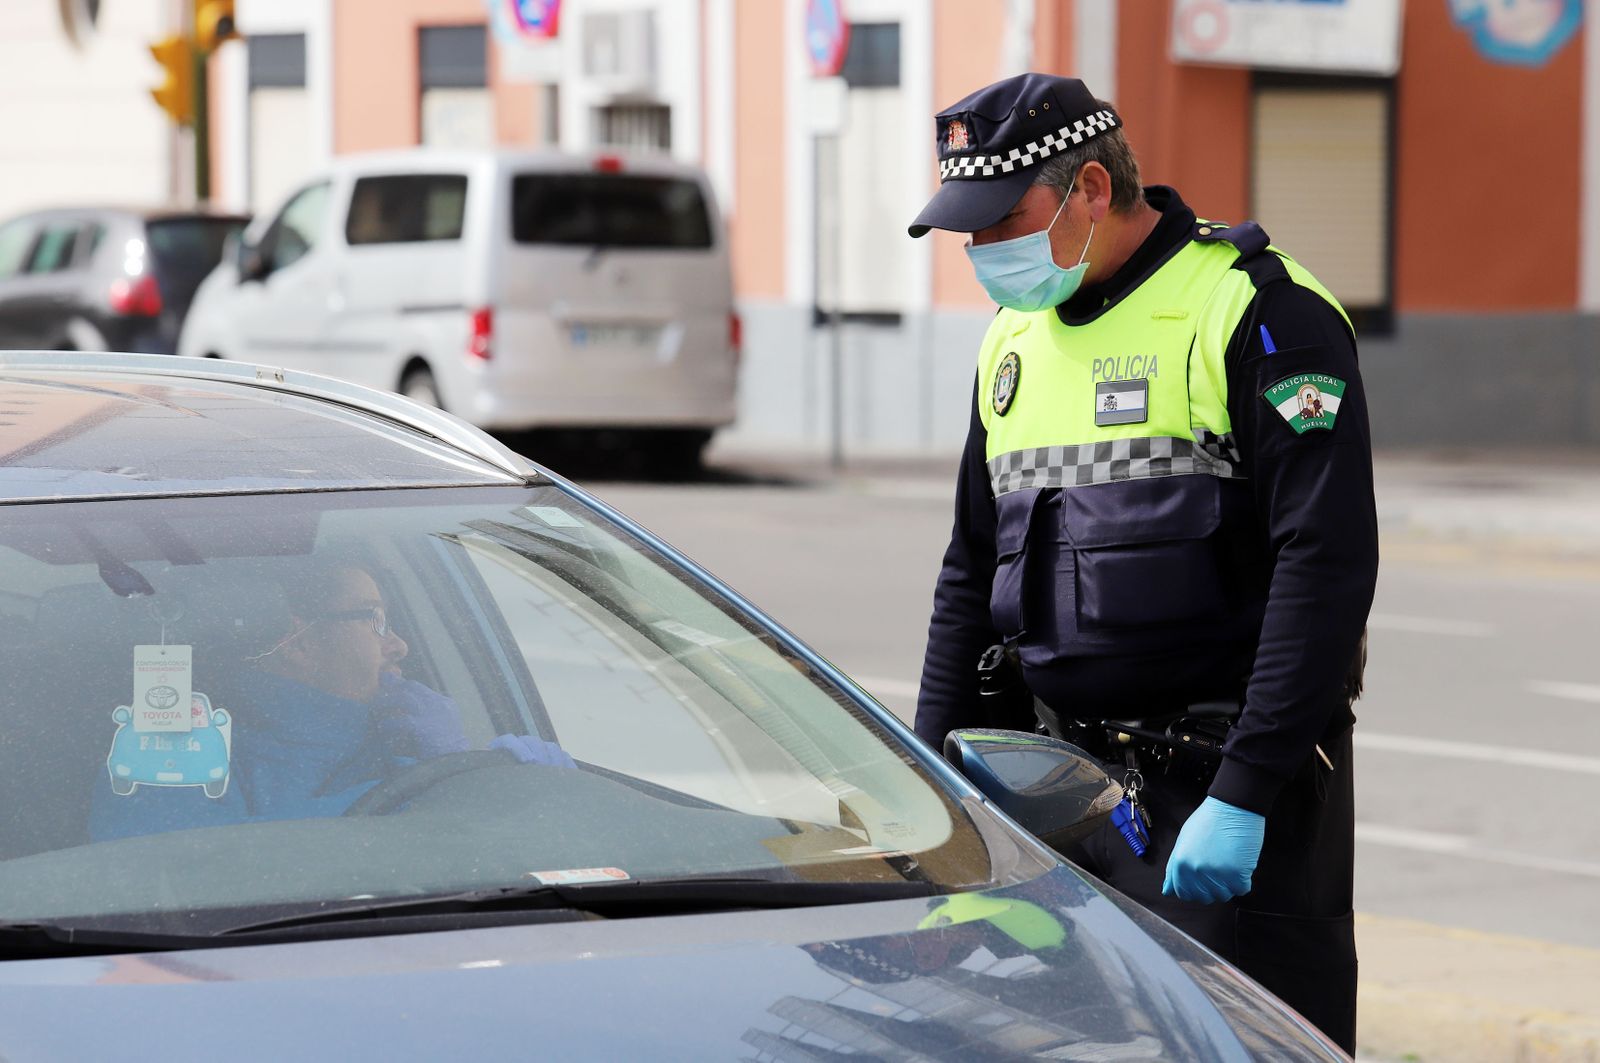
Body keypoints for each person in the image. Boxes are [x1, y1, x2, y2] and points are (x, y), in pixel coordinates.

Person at [908, 73, 1376, 1052]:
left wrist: (1245, 791)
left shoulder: (1254, 310)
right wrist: (936, 799)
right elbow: (969, 573)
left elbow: (1322, 564)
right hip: (1057, 799)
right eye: (967, 230)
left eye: (1002, 220)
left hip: (1224, 808)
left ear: (1087, 187)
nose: (982, 250)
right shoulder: (1012, 343)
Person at [90, 561, 572, 840]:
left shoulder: (408, 739)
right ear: (299, 644)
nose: (399, 645)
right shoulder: (170, 753)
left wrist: (472, 769)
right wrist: (454, 789)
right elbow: (198, 875)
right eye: (376, 621)